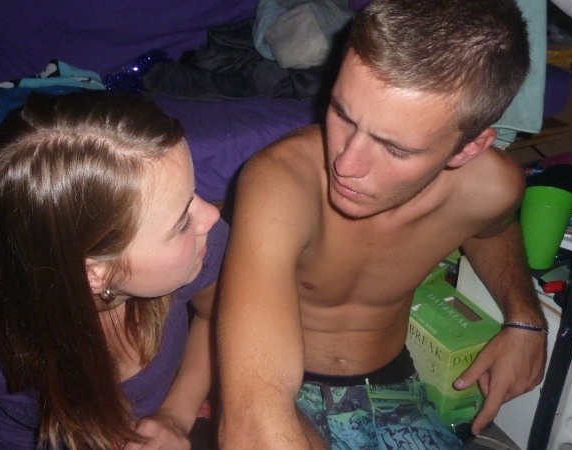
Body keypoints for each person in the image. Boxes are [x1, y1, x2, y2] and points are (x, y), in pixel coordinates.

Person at [217, 0, 547, 448]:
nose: (346, 164)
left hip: (398, 388)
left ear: (468, 148)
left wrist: (525, 320)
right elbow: (256, 412)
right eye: (341, 114)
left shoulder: (492, 187)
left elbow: (494, 228)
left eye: (395, 149)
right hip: (292, 394)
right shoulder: (280, 182)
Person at [0, 90, 226, 449]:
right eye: (182, 222)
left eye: (193, 192)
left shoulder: (199, 246)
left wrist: (175, 416)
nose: (211, 216)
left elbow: (215, 315)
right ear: (93, 273)